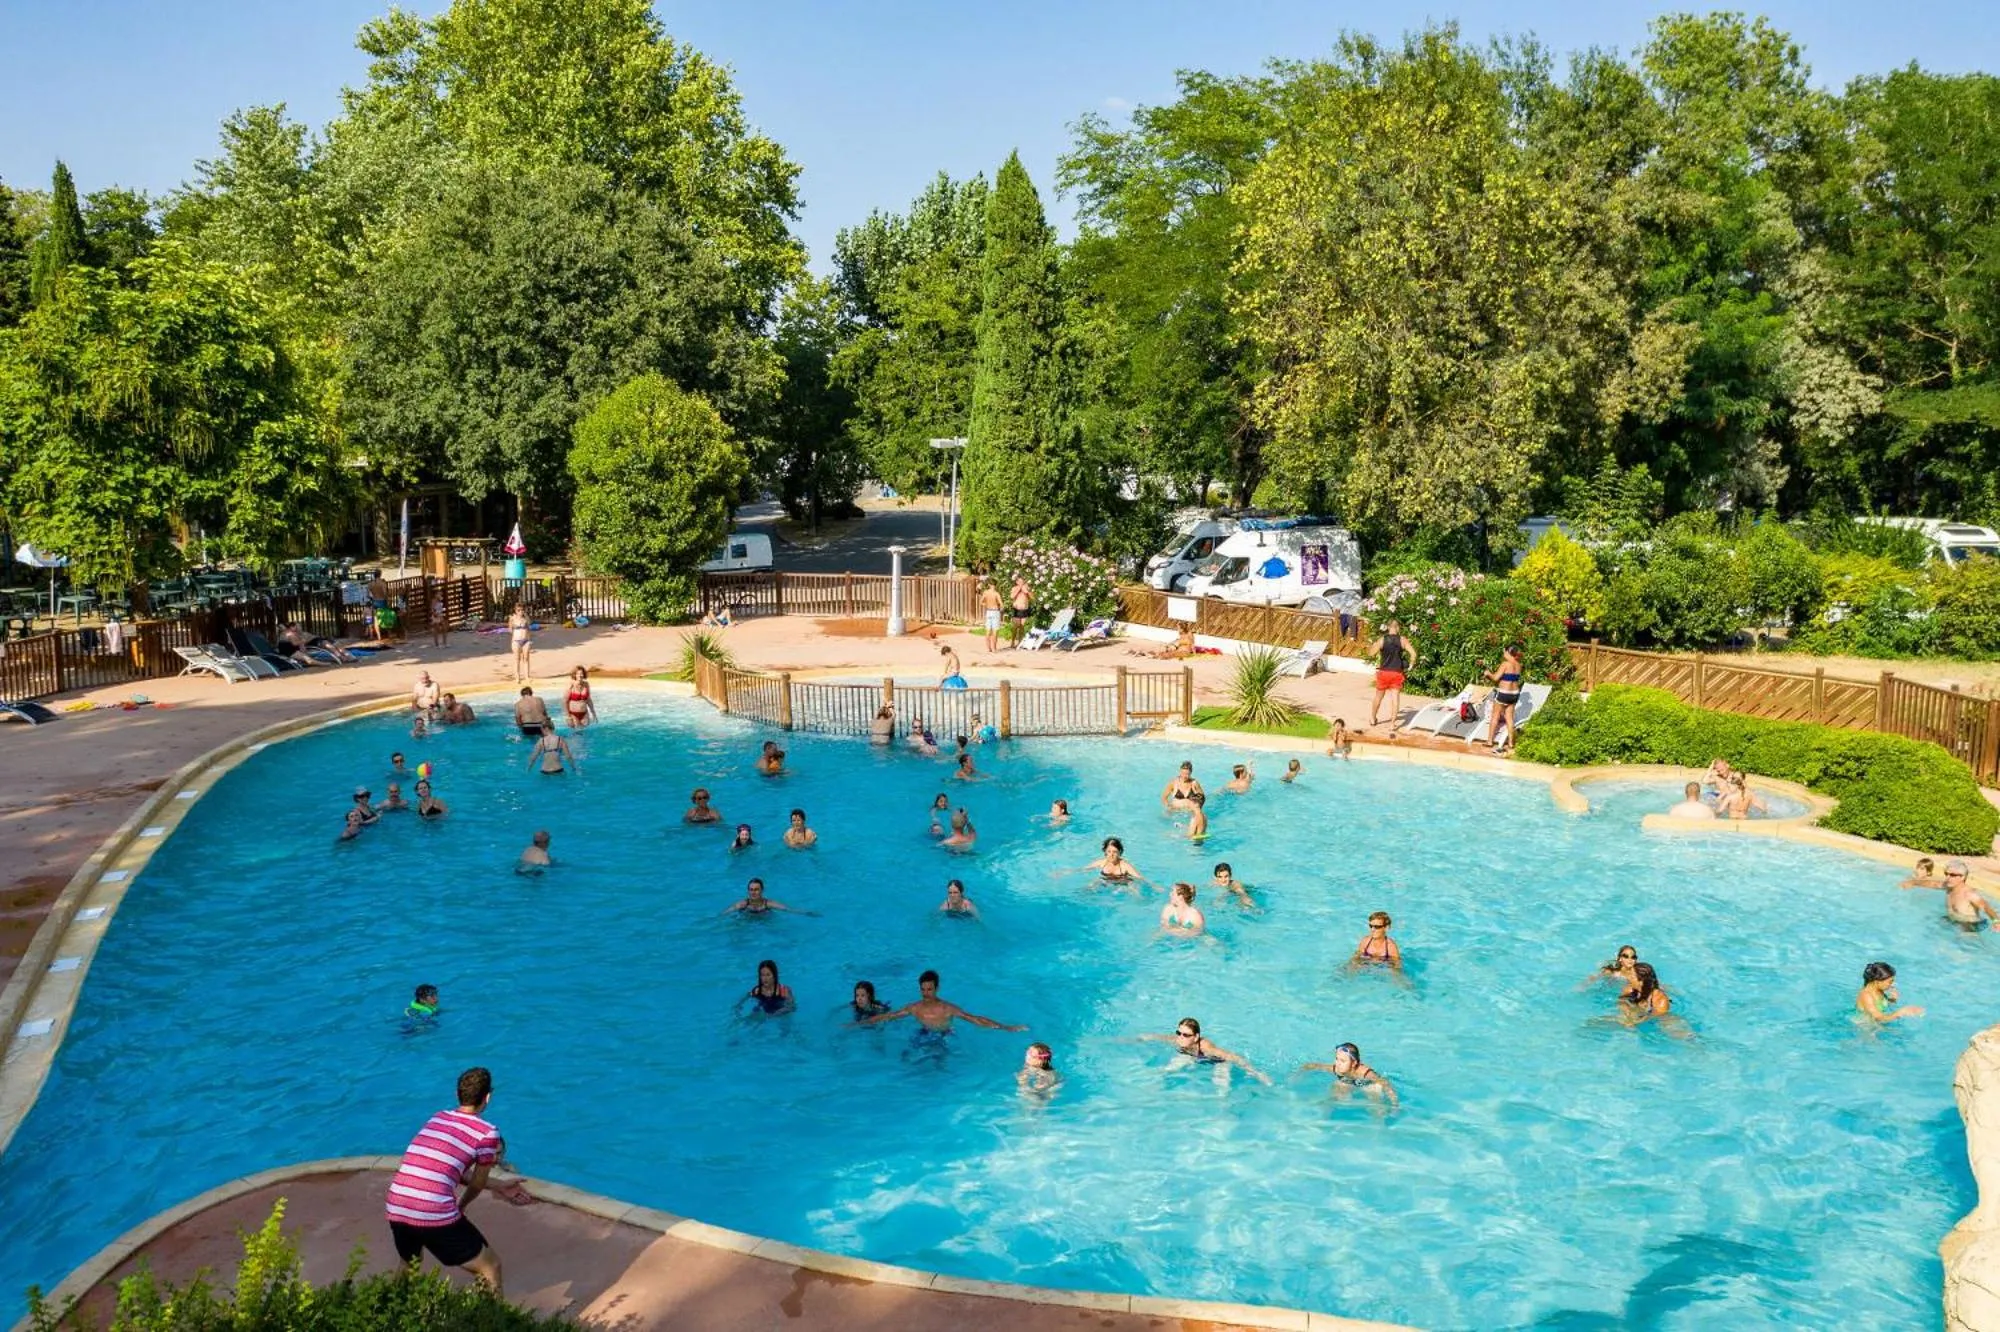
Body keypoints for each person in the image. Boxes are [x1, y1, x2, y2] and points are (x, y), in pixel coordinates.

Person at [385, 1066, 527, 1294]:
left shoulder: (438, 1117)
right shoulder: (487, 1132)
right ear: (488, 1097)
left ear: (458, 1094)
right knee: (490, 1267)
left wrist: (498, 1185)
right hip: (432, 1210)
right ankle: (491, 1323)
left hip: (397, 1203)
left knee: (409, 1264)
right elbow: (477, 1183)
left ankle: (387, 1311)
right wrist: (460, 1207)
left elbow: (446, 1168)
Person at [858, 968, 1025, 1033]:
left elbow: (975, 1019)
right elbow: (889, 1016)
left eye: (929, 989)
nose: (926, 993)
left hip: (944, 1034)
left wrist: (1005, 1027)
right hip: (923, 1033)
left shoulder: (948, 1008)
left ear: (937, 989)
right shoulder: (914, 1008)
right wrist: (860, 1024)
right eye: (923, 990)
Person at [1140, 1017, 1270, 1084]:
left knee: (1220, 1085)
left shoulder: (1206, 1047)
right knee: (1169, 1069)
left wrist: (1256, 1073)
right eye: (1179, 1033)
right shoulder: (1178, 1040)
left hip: (1219, 1062)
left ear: (1196, 1037)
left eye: (1186, 1035)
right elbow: (1155, 1037)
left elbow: (1234, 1057)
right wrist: (1140, 1038)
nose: (1181, 1037)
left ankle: (1223, 1111)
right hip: (1193, 1057)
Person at [1302, 1042, 1398, 1108]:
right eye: (1336, 1058)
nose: (1338, 1063)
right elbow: (1310, 1066)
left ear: (1354, 1063)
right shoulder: (1337, 1069)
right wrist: (1295, 1076)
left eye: (1342, 1061)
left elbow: (1385, 1083)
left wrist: (1394, 1103)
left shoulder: (1365, 1073)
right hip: (1349, 1083)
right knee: (1337, 1085)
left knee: (1375, 1091)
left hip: (1368, 1084)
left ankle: (1378, 1125)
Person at [1368, 619, 1416, 737]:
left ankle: (1373, 718)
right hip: (1396, 673)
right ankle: (1392, 724)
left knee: (1378, 697)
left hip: (1384, 672)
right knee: (1395, 699)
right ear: (1398, 628)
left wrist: (1373, 646)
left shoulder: (1382, 640)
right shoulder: (1402, 640)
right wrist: (1410, 665)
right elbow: (1414, 654)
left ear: (1388, 627)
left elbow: (1370, 654)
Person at [1477, 644, 1525, 752]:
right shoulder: (1518, 665)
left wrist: (1488, 673)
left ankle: (1489, 741)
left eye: (1504, 652)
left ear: (1508, 652)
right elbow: (1509, 678)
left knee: (1495, 716)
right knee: (1509, 718)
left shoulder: (1505, 664)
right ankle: (1511, 743)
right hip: (1514, 694)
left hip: (1504, 693)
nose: (1503, 654)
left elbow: (1495, 678)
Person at [1857, 961, 1924, 1022]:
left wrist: (1893, 999)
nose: (1892, 984)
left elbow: (1880, 1005)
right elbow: (1878, 1017)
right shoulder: (1866, 995)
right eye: (1890, 982)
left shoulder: (1878, 990)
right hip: (1865, 1026)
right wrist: (1900, 1012)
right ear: (1877, 981)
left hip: (1876, 1024)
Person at [1941, 861, 1998, 930]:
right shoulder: (1949, 889)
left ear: (1963, 877)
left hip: (1968, 925)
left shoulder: (1969, 894)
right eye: (1946, 874)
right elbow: (1935, 884)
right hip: (1952, 920)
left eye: (1952, 875)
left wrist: (1996, 921)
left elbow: (1986, 907)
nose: (1947, 877)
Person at [722, 877, 814, 916]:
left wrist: (806, 913)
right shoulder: (743, 904)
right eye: (751, 889)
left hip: (764, 919)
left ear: (762, 890)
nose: (753, 892)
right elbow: (724, 914)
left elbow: (788, 909)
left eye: (756, 889)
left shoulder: (768, 903)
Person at [1080, 836, 1145, 891]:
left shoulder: (1125, 866)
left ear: (1119, 852)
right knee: (1091, 885)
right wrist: (1070, 871)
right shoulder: (1102, 862)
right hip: (1106, 880)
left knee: (1133, 889)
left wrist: (1154, 886)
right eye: (1109, 851)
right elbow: (1083, 869)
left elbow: (1140, 878)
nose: (1111, 855)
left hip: (1123, 883)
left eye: (1115, 852)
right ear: (1105, 852)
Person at [508, 605, 532, 683]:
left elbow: (529, 627)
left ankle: (527, 676)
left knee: (526, 659)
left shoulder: (525, 618)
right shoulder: (512, 618)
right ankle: (517, 677)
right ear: (515, 611)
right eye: (518, 610)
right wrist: (512, 622)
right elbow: (510, 630)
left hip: (525, 640)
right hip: (516, 640)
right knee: (517, 659)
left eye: (522, 610)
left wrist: (529, 639)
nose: (520, 612)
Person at [980, 579, 1004, 653]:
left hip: (989, 612)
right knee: (994, 631)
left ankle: (989, 648)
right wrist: (1001, 609)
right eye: (993, 585)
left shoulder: (986, 592)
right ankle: (993, 648)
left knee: (989, 631)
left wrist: (986, 605)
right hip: (995, 612)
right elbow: (1002, 604)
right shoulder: (996, 593)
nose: (994, 586)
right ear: (991, 585)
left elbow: (981, 602)